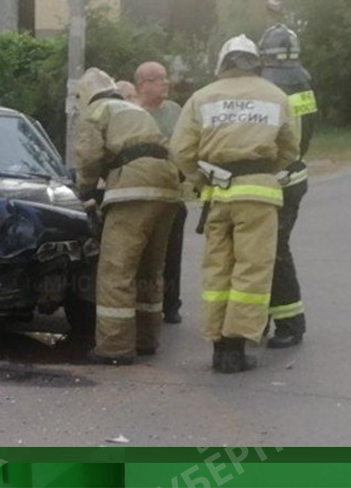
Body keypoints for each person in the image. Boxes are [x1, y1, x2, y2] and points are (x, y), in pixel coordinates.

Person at [170, 35, 299, 373]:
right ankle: (236, 349)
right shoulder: (276, 96)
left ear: (222, 64)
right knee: (251, 269)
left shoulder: (201, 98)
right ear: (255, 62)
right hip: (258, 196)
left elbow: (181, 151)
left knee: (218, 269)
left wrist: (202, 179)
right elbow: (290, 148)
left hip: (217, 196)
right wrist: (265, 171)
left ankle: (217, 346)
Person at [72, 67, 182, 365]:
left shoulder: (95, 111)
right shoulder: (132, 109)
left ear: (83, 96)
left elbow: (89, 157)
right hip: (168, 186)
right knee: (150, 268)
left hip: (133, 189)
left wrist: (84, 191)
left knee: (116, 269)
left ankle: (115, 347)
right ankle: (147, 339)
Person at [258, 23, 319, 349]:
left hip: (279, 180)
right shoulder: (303, 81)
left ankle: (290, 324)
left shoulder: (273, 87)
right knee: (271, 250)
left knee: (274, 252)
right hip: (294, 177)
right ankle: (267, 317)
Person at [134, 61, 186, 324]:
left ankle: (171, 303)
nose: (165, 83)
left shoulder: (176, 111)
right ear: (143, 84)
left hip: (172, 194)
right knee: (141, 251)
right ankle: (142, 302)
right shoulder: (131, 112)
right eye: (159, 79)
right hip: (140, 195)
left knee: (171, 251)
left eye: (166, 78)